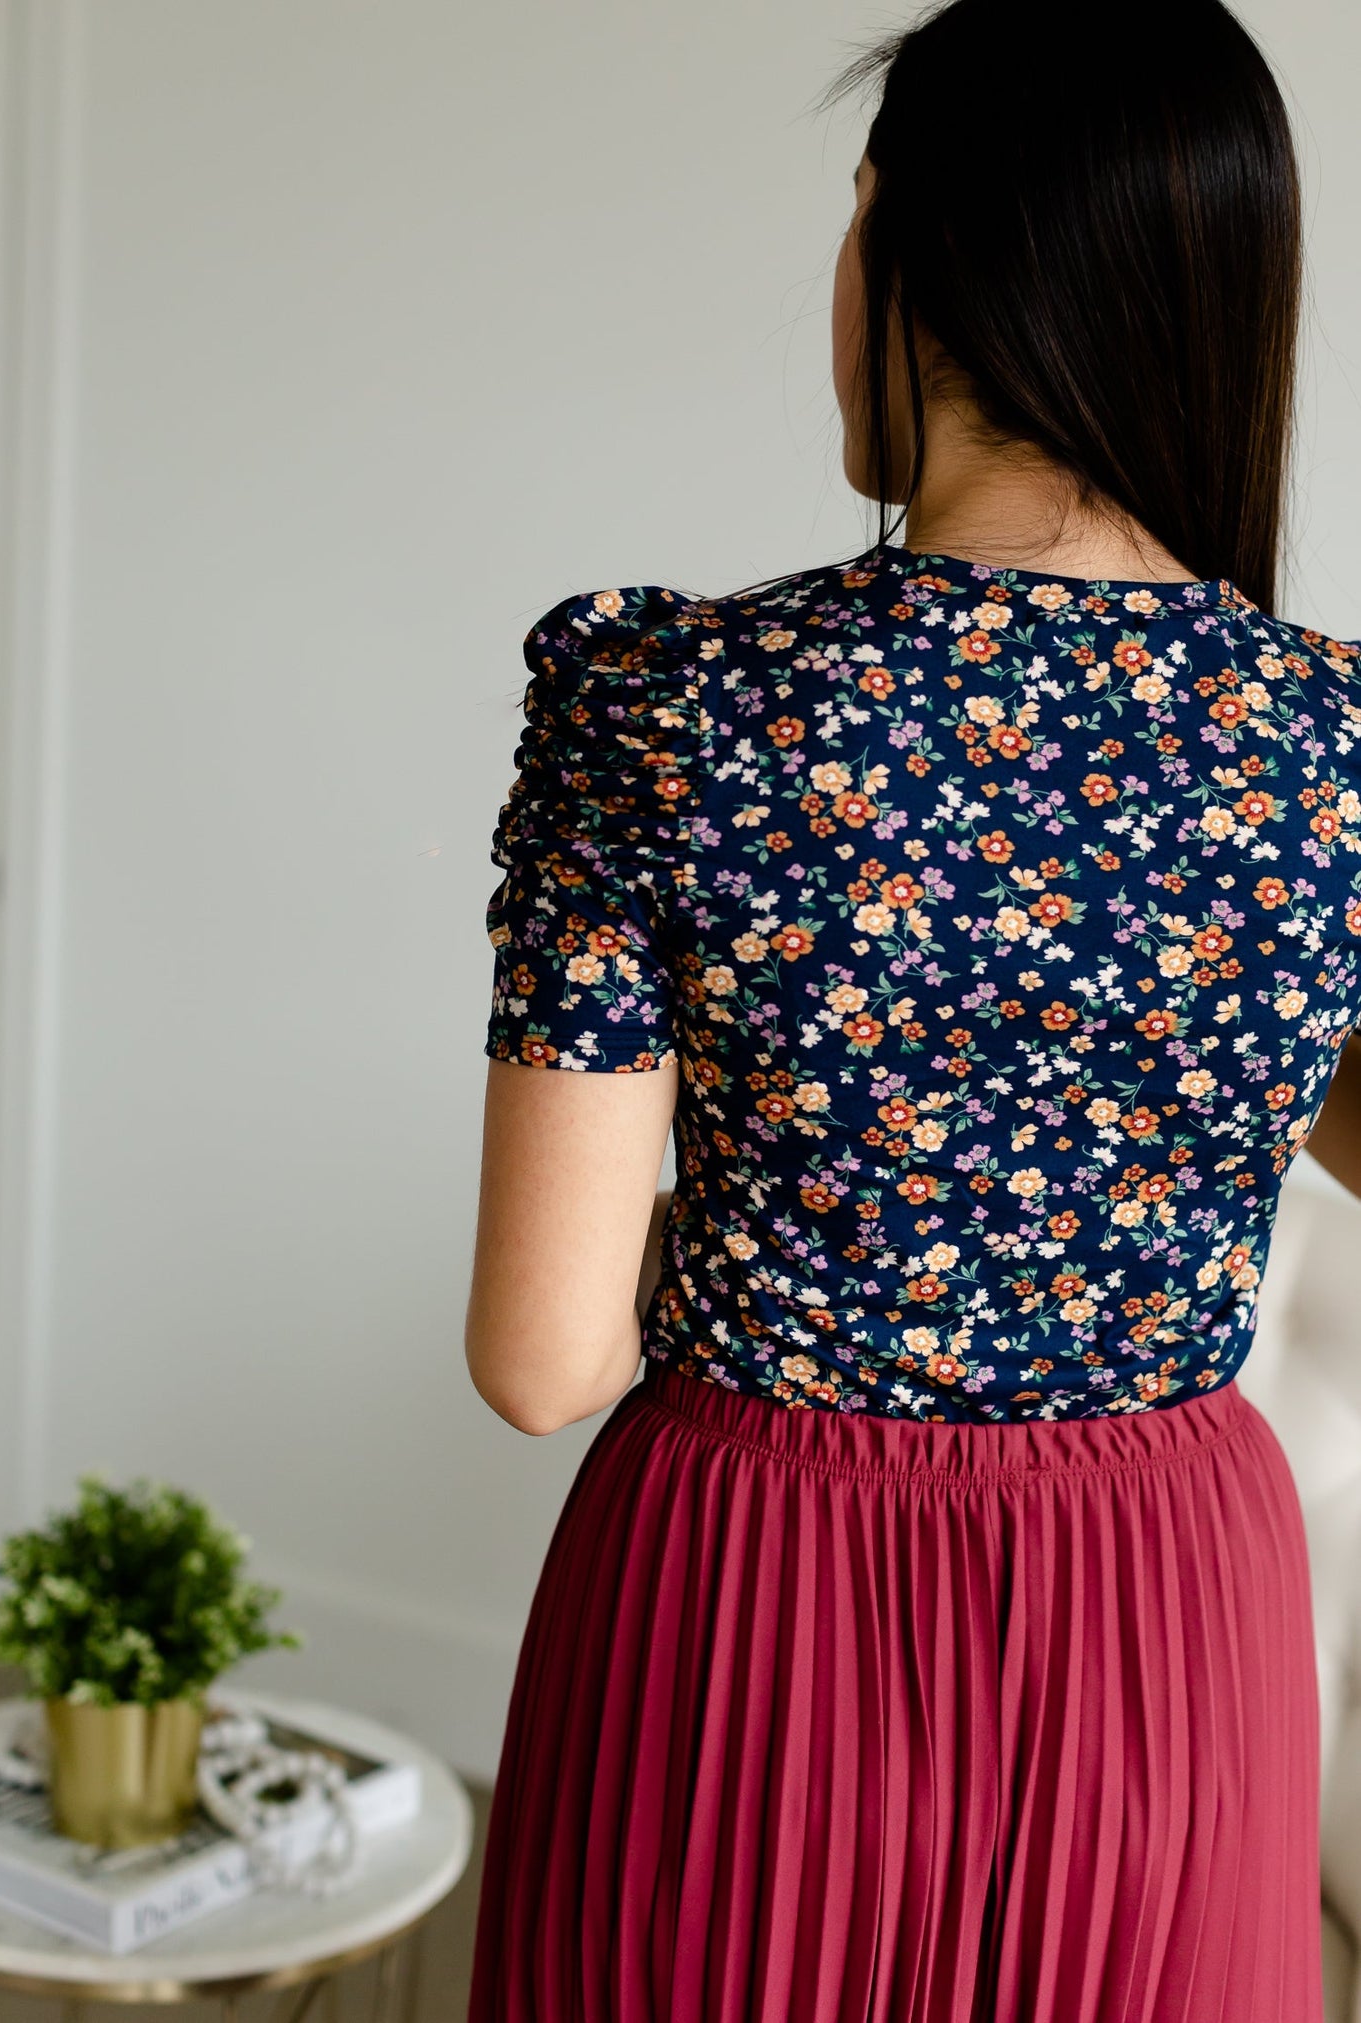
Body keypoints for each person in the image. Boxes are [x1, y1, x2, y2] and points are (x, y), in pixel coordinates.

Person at [463, 1, 1361, 2015]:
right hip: (1169, 1619)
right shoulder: (1336, 739)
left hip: (749, 1598)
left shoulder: (668, 707)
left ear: (902, 256)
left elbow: (544, 1356)